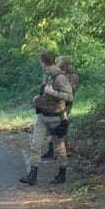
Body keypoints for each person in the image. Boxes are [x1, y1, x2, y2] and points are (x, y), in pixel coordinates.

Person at [19, 51, 73, 185]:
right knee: (35, 145)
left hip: (57, 117)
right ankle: (33, 175)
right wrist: (39, 98)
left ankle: (62, 174)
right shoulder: (46, 75)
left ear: (43, 62)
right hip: (43, 115)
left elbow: (69, 96)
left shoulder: (60, 77)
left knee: (59, 148)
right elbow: (44, 92)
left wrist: (53, 93)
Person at [42, 56, 80, 159]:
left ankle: (63, 151)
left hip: (65, 104)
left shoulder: (73, 75)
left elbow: (70, 90)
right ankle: (52, 150)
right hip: (56, 102)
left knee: (62, 126)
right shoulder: (59, 74)